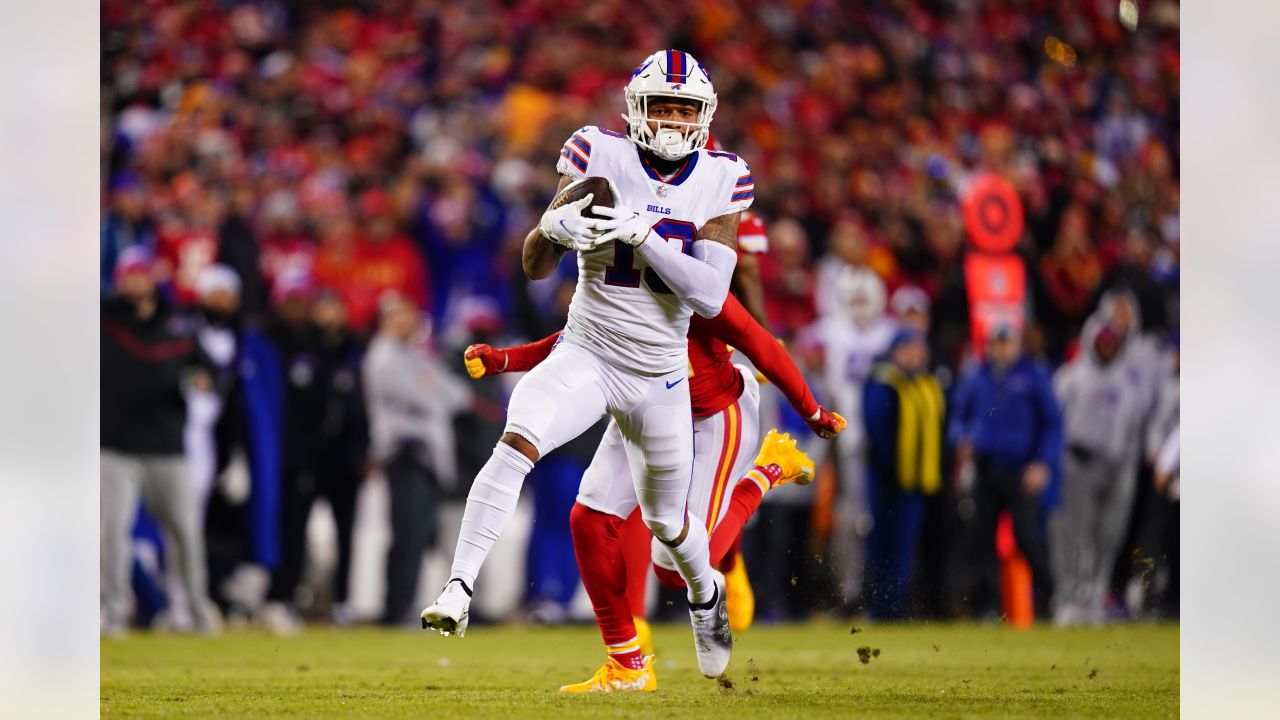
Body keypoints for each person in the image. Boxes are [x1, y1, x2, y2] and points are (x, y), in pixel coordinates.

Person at [421, 48, 753, 680]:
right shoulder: (597, 155)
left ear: (705, 115)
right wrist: (555, 229)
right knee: (517, 439)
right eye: (665, 107)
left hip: (661, 374)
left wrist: (641, 235)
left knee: (667, 524)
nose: (678, 122)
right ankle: (458, 589)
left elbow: (710, 295)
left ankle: (705, 594)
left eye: (688, 110)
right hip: (589, 350)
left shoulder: (721, 177)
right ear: (637, 110)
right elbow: (533, 263)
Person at [463, 289, 844, 690]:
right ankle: (628, 666)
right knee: (589, 519)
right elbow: (574, 342)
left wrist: (812, 411)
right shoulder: (617, 275)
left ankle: (766, 471)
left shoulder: (691, 278)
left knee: (673, 570)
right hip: (642, 413)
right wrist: (506, 360)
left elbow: (760, 343)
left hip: (710, 419)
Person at [101, 247, 219, 636]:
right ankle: (114, 612)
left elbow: (210, 371)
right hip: (115, 445)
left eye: (140, 274)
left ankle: (198, 612)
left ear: (152, 277)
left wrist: (202, 380)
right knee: (112, 530)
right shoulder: (105, 318)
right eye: (128, 275)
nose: (134, 282)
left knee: (185, 531)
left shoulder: (180, 324)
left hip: (168, 445)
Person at [364, 292, 471, 625]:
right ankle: (395, 607)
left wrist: (434, 391)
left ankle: (403, 604)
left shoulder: (412, 355)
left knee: (417, 534)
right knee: (407, 534)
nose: (407, 322)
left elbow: (459, 395)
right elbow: (424, 398)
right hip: (405, 451)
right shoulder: (383, 355)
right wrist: (433, 392)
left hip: (425, 456)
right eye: (399, 315)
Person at [949, 323, 1062, 619]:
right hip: (986, 469)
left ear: (1017, 345)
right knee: (982, 537)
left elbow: (1052, 423)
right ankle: (991, 607)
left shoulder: (1033, 375)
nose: (1001, 350)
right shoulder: (977, 376)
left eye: (1006, 343)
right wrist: (962, 438)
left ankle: (1048, 597)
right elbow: (958, 416)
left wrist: (1043, 463)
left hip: (1021, 470)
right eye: (996, 344)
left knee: (1027, 536)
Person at [799, 266, 895, 610]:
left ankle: (884, 588)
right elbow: (802, 349)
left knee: (880, 515)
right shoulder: (830, 331)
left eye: (863, 298)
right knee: (848, 517)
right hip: (844, 437)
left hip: (886, 436)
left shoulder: (890, 333)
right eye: (853, 298)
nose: (859, 305)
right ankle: (850, 589)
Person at [1051, 310, 1155, 626]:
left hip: (1118, 467)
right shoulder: (1070, 378)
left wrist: (1131, 469)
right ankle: (1069, 599)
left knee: (1108, 536)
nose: (1107, 348)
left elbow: (1136, 430)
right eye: (1103, 342)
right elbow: (1055, 426)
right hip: (1077, 463)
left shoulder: (1129, 384)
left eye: (1113, 343)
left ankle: (1096, 597)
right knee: (1072, 535)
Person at [861, 328, 945, 620]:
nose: (915, 355)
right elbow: (878, 430)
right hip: (886, 478)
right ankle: (880, 606)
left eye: (918, 349)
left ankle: (897, 605)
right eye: (909, 349)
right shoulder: (885, 382)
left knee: (904, 546)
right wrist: (889, 468)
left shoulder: (926, 384)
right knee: (882, 544)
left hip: (917, 480)